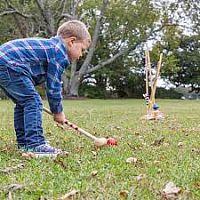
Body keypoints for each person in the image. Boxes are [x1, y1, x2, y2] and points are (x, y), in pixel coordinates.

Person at [0, 20, 91, 157]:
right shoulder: (59, 53)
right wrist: (58, 111)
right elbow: (53, 86)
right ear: (72, 42)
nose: (81, 54)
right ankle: (36, 144)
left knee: (23, 103)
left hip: (5, 62)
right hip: (10, 64)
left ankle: (24, 143)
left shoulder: (52, 47)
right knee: (33, 101)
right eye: (82, 49)